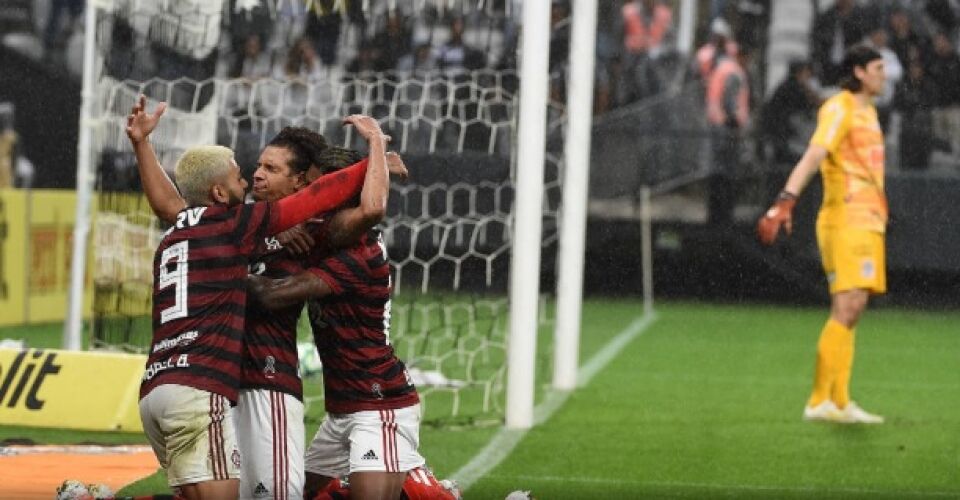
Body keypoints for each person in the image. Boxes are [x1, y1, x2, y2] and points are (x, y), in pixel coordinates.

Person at [127, 96, 402, 499]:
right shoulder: (236, 221)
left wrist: (374, 162)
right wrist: (142, 146)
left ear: (300, 182)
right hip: (215, 385)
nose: (255, 176)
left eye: (270, 169)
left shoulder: (315, 229)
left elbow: (365, 211)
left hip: (265, 379)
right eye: (255, 166)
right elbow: (172, 206)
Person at [248, 146, 424, 500]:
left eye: (318, 189)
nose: (310, 196)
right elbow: (259, 216)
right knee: (296, 493)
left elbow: (270, 295)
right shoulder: (323, 236)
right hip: (341, 409)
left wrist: (215, 265)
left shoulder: (358, 255)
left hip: (379, 405)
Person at [757, 45, 887, 424]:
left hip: (868, 218)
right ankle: (818, 400)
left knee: (853, 308)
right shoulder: (840, 108)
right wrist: (785, 201)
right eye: (878, 67)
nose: (885, 74)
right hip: (846, 217)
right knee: (847, 306)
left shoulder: (869, 111)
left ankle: (840, 401)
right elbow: (814, 155)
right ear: (859, 71)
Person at [706, 45, 752, 226]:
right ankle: (723, 218)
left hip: (717, 127)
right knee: (727, 176)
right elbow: (731, 103)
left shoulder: (722, 68)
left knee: (717, 174)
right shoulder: (734, 73)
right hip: (728, 131)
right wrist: (736, 126)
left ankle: (715, 216)